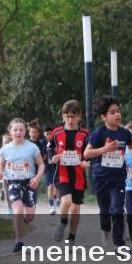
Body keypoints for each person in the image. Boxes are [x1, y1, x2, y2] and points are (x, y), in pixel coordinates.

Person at [84, 95, 132, 247]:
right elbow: (86, 154)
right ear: (103, 117)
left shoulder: (125, 133)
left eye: (118, 111)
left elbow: (131, 147)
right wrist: (104, 149)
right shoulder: (99, 133)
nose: (117, 114)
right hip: (101, 178)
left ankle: (119, 244)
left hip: (118, 179)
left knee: (118, 210)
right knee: (105, 211)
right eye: (112, 112)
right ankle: (106, 229)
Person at [0, 118, 46, 252]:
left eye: (21, 130)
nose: (18, 132)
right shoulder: (5, 149)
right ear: (10, 131)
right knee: (18, 210)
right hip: (13, 183)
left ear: (25, 131)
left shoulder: (32, 147)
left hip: (29, 183)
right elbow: (0, 165)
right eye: (15, 130)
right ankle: (19, 241)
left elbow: (41, 165)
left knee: (29, 217)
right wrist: (0, 172)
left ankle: (22, 222)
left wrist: (37, 178)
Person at [49, 100, 91, 243]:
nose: (70, 119)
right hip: (62, 173)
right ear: (63, 117)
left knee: (76, 208)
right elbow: (49, 148)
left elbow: (89, 151)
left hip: (79, 175)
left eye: (73, 116)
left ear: (79, 117)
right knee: (66, 201)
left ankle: (71, 238)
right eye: (67, 116)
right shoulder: (57, 133)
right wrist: (52, 157)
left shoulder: (85, 134)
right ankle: (62, 221)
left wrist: (87, 161)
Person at [28, 120, 55, 214]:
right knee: (30, 188)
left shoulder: (41, 143)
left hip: (42, 168)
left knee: (37, 189)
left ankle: (35, 207)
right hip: (29, 169)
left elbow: (43, 156)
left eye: (35, 132)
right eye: (32, 132)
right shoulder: (27, 143)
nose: (33, 134)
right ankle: (28, 207)